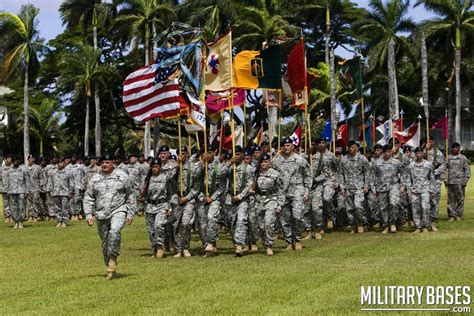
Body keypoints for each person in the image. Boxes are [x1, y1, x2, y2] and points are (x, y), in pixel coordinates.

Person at [83, 153, 136, 279]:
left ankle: (112, 260)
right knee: (105, 242)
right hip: (101, 213)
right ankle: (110, 261)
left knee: (114, 231)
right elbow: (88, 197)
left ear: (112, 162)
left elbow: (130, 194)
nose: (104, 165)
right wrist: (88, 214)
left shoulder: (122, 176)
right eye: (102, 163)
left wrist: (130, 213)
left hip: (118, 209)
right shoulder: (95, 178)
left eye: (107, 162)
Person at [273, 137, 311, 250]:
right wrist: (277, 154)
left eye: (288, 145)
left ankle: (297, 239)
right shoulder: (278, 160)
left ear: (293, 146)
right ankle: (289, 241)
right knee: (284, 218)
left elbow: (308, 175)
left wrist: (307, 191)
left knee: (297, 216)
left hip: (297, 190)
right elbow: (269, 165)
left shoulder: (300, 160)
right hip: (283, 192)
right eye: (284, 146)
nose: (286, 147)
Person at [196, 146, 227, 256]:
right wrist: (202, 196)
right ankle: (207, 243)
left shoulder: (219, 166)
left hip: (214, 198)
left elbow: (222, 186)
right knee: (202, 223)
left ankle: (211, 243)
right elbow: (195, 183)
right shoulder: (200, 166)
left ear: (214, 153)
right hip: (202, 197)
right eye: (205, 153)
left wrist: (212, 197)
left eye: (209, 152)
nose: (207, 155)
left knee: (211, 218)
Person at [172, 146, 203, 257]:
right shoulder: (174, 167)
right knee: (176, 224)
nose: (182, 155)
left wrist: (187, 198)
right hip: (176, 199)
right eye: (179, 153)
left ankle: (185, 247)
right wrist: (176, 166)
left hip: (188, 199)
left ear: (188, 154)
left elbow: (197, 186)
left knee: (186, 223)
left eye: (184, 153)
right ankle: (178, 249)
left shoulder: (193, 168)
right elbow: (168, 178)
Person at [140, 158, 172, 258]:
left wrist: (170, 208)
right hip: (150, 206)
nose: (154, 169)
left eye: (156, 167)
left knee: (159, 225)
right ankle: (154, 250)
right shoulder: (148, 178)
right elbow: (143, 195)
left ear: (160, 167)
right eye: (153, 167)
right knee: (151, 230)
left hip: (162, 206)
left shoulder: (165, 178)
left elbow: (170, 194)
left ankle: (160, 247)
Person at [225, 145, 253, 256]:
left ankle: (239, 246)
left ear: (242, 155)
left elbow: (249, 185)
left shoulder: (248, 168)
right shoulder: (230, 167)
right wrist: (228, 163)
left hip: (243, 199)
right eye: (234, 154)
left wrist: (240, 196)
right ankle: (241, 242)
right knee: (231, 222)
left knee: (241, 220)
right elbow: (219, 174)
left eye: (237, 154)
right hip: (230, 198)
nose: (235, 157)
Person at [254, 153, 284, 256]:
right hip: (259, 200)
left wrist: (280, 205)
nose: (263, 164)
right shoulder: (256, 173)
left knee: (268, 223)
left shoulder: (275, 174)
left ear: (270, 163)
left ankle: (269, 246)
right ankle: (264, 241)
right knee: (261, 226)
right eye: (262, 162)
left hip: (271, 199)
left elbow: (281, 190)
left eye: (266, 162)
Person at [339, 140, 370, 233]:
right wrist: (342, 186)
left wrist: (366, 186)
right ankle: (353, 225)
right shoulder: (344, 159)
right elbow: (341, 174)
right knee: (349, 208)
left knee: (358, 206)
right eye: (349, 147)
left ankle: (361, 223)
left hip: (359, 187)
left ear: (356, 147)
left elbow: (367, 173)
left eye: (352, 147)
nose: (351, 149)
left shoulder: (362, 158)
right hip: (348, 187)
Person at [372, 145, 404, 234]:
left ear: (391, 152)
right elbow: (373, 176)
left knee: (394, 203)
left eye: (388, 151)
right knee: (383, 207)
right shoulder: (377, 163)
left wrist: (402, 185)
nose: (387, 153)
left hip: (393, 186)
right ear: (383, 152)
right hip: (381, 187)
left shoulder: (396, 162)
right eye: (385, 152)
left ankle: (392, 223)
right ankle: (386, 225)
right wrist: (373, 188)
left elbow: (403, 174)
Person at [310, 137, 337, 238]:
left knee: (327, 198)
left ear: (326, 144)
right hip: (316, 183)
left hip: (328, 180)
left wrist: (335, 180)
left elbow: (336, 169)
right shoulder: (313, 156)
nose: (321, 144)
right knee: (317, 204)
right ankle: (319, 226)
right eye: (319, 143)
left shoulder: (331, 156)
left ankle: (330, 217)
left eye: (323, 142)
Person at [405, 147, 434, 234]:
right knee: (415, 209)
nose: (418, 155)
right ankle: (418, 226)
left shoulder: (428, 164)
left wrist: (432, 190)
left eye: (420, 153)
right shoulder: (411, 165)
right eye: (417, 153)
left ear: (423, 153)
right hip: (414, 191)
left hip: (425, 190)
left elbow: (432, 178)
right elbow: (408, 179)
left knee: (425, 208)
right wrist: (408, 190)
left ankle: (425, 226)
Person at [423, 136, 445, 231]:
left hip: (435, 181)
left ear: (433, 142)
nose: (429, 143)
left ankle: (433, 222)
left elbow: (443, 165)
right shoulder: (422, 152)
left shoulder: (438, 153)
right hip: (423, 181)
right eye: (427, 142)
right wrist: (424, 150)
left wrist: (433, 172)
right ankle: (425, 222)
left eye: (430, 141)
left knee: (434, 201)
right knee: (424, 202)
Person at [446, 142, 470, 221]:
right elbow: (444, 170)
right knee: (450, 200)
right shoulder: (448, 158)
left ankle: (459, 214)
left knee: (460, 199)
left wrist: (465, 180)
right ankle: (452, 215)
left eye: (456, 147)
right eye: (453, 148)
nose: (454, 149)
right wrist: (445, 180)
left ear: (459, 148)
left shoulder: (463, 158)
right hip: (450, 182)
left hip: (460, 182)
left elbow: (467, 170)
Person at [5, 157, 28, 228]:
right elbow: (7, 182)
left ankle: (21, 222)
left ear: (19, 162)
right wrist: (7, 191)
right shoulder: (9, 171)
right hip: (12, 192)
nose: (15, 162)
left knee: (21, 207)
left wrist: (27, 191)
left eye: (17, 161)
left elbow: (27, 181)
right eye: (14, 161)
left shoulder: (23, 171)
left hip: (21, 191)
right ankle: (16, 222)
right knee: (13, 208)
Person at [51, 158, 73, 227]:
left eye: (61, 163)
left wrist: (71, 191)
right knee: (57, 208)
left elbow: (71, 183)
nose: (60, 164)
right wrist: (51, 191)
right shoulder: (54, 172)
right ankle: (59, 221)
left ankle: (64, 221)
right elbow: (51, 182)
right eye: (59, 163)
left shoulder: (68, 172)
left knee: (65, 208)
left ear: (64, 163)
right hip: (56, 192)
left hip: (65, 193)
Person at [26, 154, 42, 222]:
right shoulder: (25, 168)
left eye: (31, 158)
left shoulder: (38, 167)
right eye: (29, 158)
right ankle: (30, 216)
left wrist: (41, 186)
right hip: (28, 188)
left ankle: (35, 216)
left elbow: (41, 177)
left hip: (36, 187)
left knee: (36, 202)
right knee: (29, 203)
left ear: (34, 160)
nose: (30, 160)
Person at [1, 154, 13, 223]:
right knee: (5, 204)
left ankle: (12, 216)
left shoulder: (14, 168)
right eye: (6, 158)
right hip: (4, 189)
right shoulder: (1, 169)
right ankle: (7, 217)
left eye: (8, 158)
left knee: (12, 203)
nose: (7, 160)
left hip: (13, 189)